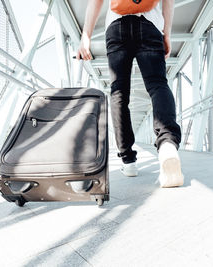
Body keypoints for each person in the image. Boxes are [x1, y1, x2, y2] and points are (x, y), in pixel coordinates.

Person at [77, 0, 183, 187]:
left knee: (118, 92)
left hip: (116, 26)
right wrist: (167, 33)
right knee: (157, 84)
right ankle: (167, 144)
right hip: (150, 25)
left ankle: (128, 161)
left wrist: (86, 36)